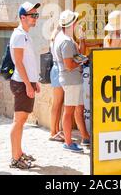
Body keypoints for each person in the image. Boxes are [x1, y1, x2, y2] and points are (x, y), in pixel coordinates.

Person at [9, 2, 42, 169]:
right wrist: (29, 85)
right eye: (32, 15)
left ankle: (19, 152)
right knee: (19, 121)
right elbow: (19, 63)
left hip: (26, 82)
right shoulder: (20, 35)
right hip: (22, 83)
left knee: (20, 121)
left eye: (36, 15)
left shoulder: (25, 34)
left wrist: (34, 82)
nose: (36, 18)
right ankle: (15, 158)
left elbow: (28, 62)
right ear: (23, 17)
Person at [53, 10, 91, 152]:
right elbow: (69, 65)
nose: (76, 22)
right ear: (72, 23)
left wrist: (82, 41)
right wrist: (82, 61)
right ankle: (68, 143)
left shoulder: (64, 38)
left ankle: (83, 137)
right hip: (71, 79)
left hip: (72, 79)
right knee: (69, 111)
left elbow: (77, 55)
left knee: (77, 109)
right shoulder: (66, 41)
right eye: (75, 20)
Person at [48, 25, 65, 142]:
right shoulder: (60, 39)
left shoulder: (54, 38)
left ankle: (56, 130)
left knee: (58, 103)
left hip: (56, 68)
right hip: (58, 68)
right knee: (57, 103)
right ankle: (53, 132)